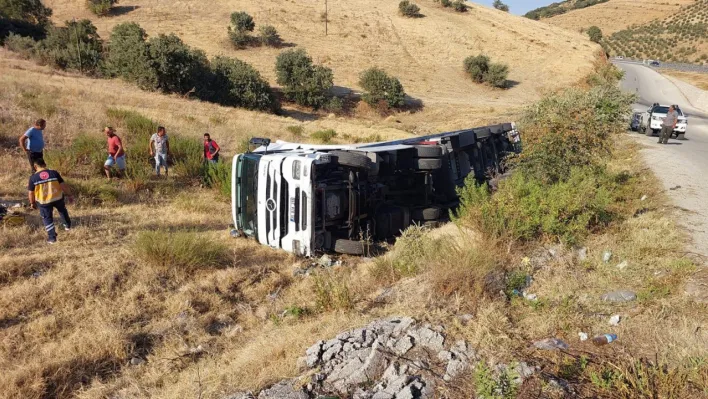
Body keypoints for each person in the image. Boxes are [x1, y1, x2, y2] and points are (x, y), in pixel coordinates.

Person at [27, 158, 73, 244]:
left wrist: (32, 203)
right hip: (57, 198)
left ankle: (52, 238)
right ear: (45, 165)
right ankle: (67, 226)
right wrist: (70, 195)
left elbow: (31, 193)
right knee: (62, 211)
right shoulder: (54, 173)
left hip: (44, 202)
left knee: (47, 218)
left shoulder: (33, 178)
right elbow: (63, 186)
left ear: (35, 166)